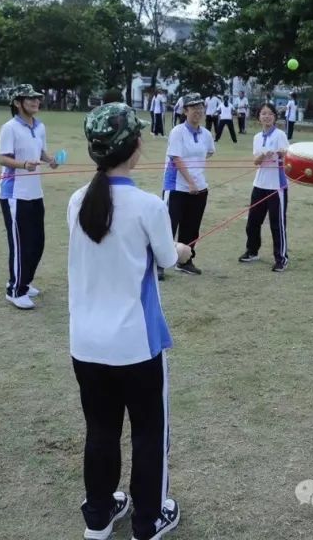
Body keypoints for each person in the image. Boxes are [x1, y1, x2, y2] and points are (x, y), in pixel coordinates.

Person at [68, 102, 188, 540]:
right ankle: (147, 520)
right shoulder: (147, 205)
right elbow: (168, 259)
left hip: (86, 346)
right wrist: (182, 251)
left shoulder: (78, 200)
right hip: (135, 346)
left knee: (100, 431)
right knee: (149, 434)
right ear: (134, 146)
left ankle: (98, 516)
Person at [0, 84, 57, 310]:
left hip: (35, 193)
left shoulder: (39, 127)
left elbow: (40, 151)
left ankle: (25, 280)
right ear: (17, 103)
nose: (35, 102)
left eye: (37, 98)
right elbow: (3, 159)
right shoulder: (9, 128)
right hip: (14, 195)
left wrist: (50, 159)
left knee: (37, 242)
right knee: (21, 244)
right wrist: (23, 164)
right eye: (29, 99)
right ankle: (15, 290)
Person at [163, 94, 215, 278]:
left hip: (200, 188)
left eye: (201, 107)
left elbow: (208, 153)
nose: (198, 111)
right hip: (177, 186)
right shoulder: (178, 131)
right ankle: (159, 264)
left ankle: (185, 260)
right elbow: (176, 158)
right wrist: (190, 181)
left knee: (192, 227)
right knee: (168, 226)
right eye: (193, 108)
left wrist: (196, 178)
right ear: (185, 111)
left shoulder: (206, 134)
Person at [239, 103, 290, 271]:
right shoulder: (257, 138)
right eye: (263, 114)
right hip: (259, 184)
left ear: (275, 117)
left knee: (277, 224)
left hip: (276, 186)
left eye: (269, 114)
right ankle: (252, 251)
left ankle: (281, 258)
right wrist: (262, 155)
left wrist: (280, 153)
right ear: (259, 117)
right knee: (253, 221)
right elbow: (255, 161)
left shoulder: (280, 135)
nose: (266, 116)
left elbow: (287, 156)